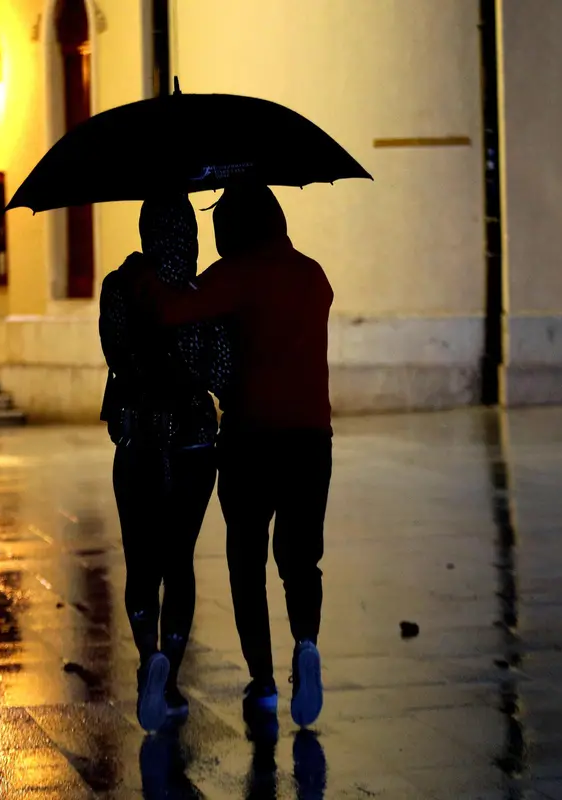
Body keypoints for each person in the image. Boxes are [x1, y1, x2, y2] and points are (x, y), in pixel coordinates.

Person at [132, 184, 333, 728]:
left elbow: (174, 310)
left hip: (251, 439)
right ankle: (307, 644)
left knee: (247, 563)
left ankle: (264, 682)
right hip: (313, 439)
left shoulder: (234, 275)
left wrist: (148, 270)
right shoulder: (315, 277)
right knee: (300, 558)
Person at [98, 195, 231, 732]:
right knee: (180, 561)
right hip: (195, 442)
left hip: (137, 439)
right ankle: (170, 677)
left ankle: (146, 652)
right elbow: (220, 372)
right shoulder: (204, 294)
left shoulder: (118, 287)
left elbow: (114, 354)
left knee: (140, 559)